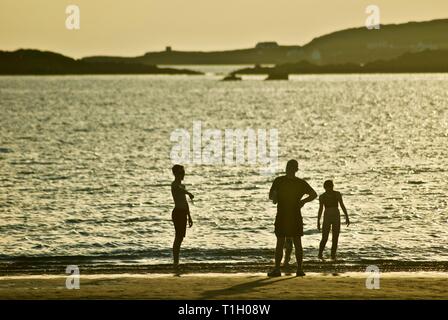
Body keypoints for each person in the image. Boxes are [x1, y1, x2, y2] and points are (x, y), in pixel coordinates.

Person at [268, 159, 317, 277]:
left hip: (283, 215)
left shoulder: (279, 180)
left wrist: (275, 196)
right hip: (295, 215)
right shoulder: (300, 183)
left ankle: (277, 269)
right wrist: (303, 202)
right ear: (296, 169)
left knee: (280, 242)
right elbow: (314, 194)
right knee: (297, 242)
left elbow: (272, 198)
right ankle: (299, 269)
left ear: (287, 168)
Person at [317, 180, 350, 261]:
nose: (329, 189)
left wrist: (346, 216)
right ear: (325, 188)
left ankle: (333, 255)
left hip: (336, 215)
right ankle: (320, 254)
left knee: (335, 237)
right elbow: (320, 209)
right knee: (324, 237)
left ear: (332, 186)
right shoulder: (322, 197)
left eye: (330, 187)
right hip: (327, 216)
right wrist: (318, 221)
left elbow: (342, 205)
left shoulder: (337, 194)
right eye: (327, 188)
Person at [171, 164, 194, 269]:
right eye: (181, 172)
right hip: (177, 213)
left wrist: (189, 216)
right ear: (175, 174)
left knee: (180, 238)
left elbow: (185, 202)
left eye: (183, 172)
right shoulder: (174, 185)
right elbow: (179, 189)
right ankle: (175, 262)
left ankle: (176, 261)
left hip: (184, 213)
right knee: (178, 237)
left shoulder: (182, 186)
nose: (183, 174)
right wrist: (188, 193)